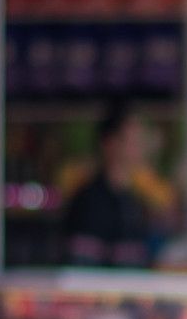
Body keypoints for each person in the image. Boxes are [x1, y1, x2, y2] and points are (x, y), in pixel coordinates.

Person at [60, 104, 159, 267]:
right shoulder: (88, 203)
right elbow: (82, 271)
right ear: (110, 143)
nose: (140, 147)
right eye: (133, 140)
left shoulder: (134, 203)